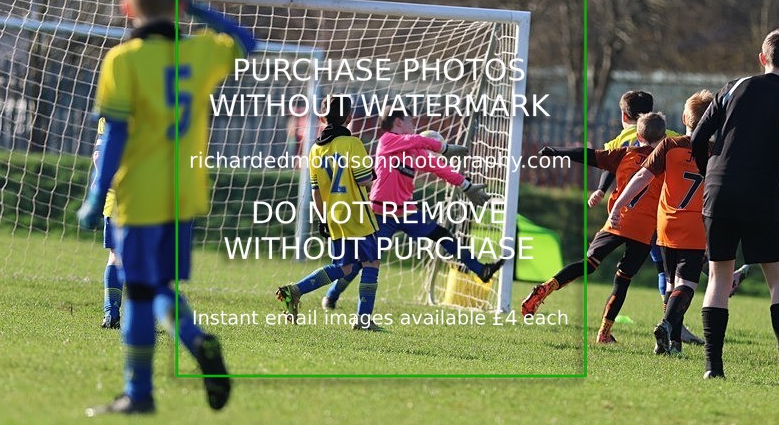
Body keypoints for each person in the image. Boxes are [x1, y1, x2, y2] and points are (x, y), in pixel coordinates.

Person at [77, 0, 257, 414]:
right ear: (177, 7)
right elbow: (248, 41)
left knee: (139, 291)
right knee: (158, 285)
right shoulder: (199, 54)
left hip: (138, 194)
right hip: (185, 194)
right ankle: (194, 344)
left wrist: (97, 194)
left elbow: (115, 133)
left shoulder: (124, 59)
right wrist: (195, 9)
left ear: (126, 7)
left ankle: (141, 392)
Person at [690, 27, 779, 385]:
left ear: (762, 58)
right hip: (760, 193)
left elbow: (698, 138)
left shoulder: (731, 88)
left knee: (718, 276)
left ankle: (713, 368)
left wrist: (709, 173)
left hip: (718, 189)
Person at [320, 105, 503, 310]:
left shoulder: (414, 152)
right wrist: (443, 148)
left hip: (406, 212)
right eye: (411, 121)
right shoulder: (387, 141)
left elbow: (439, 168)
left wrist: (466, 185)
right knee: (361, 261)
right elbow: (416, 140)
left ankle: (481, 270)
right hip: (381, 214)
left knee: (443, 235)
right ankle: (332, 295)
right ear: (398, 122)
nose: (414, 126)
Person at [524, 112, 667, 344]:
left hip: (617, 220)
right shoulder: (666, 160)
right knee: (623, 279)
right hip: (644, 229)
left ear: (638, 135)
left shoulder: (625, 153)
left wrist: (555, 151)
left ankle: (546, 287)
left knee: (588, 263)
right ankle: (603, 333)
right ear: (662, 138)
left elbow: (588, 155)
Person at [607, 91, 714, 355]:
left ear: (683, 118)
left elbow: (641, 176)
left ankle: (674, 345)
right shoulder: (716, 153)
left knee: (670, 282)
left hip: (665, 225)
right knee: (685, 285)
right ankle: (666, 325)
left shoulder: (669, 145)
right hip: (695, 226)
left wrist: (619, 205)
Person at [275, 95, 385, 331]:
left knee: (344, 267)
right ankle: (363, 320)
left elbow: (315, 191)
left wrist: (322, 218)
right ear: (347, 117)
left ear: (323, 118)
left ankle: (295, 291)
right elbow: (365, 180)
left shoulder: (315, 149)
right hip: (356, 214)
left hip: (334, 215)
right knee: (371, 261)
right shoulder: (352, 144)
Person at [93, 117, 122, 329]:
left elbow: (98, 156)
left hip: (116, 200)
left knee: (116, 256)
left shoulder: (110, 113)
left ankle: (111, 312)